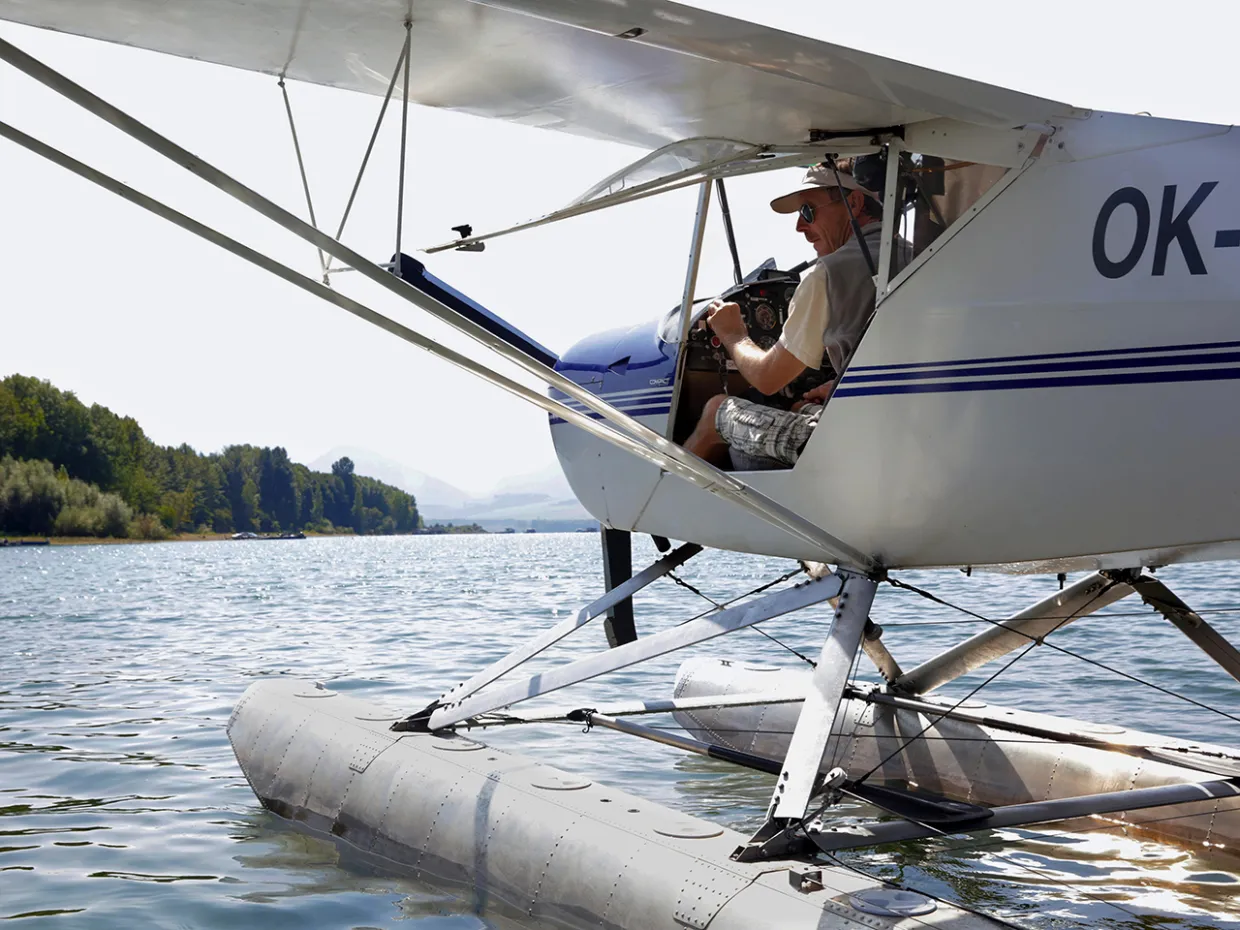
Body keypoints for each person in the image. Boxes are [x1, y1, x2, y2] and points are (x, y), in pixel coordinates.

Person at [684, 164, 908, 468]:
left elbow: (768, 378)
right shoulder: (922, 252)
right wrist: (838, 386)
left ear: (853, 203)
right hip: (904, 427)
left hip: (858, 440)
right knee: (800, 406)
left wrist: (733, 334)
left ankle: (652, 504)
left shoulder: (825, 275)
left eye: (808, 210)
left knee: (716, 411)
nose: (800, 227)